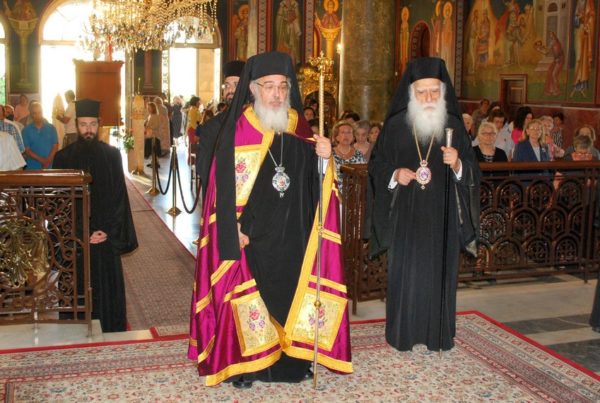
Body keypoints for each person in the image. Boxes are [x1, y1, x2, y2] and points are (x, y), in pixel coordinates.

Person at [187, 51, 352, 388]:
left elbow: (313, 183)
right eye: (269, 86)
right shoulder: (237, 131)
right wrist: (233, 229)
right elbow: (222, 190)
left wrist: (324, 159)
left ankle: (294, 363)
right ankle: (248, 366)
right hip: (252, 235)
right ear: (253, 89)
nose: (277, 94)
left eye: (283, 86)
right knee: (251, 301)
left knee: (291, 297)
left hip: (292, 234)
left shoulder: (297, 127)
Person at [368, 57, 480, 352]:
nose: (429, 98)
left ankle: (437, 335)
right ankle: (402, 334)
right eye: (422, 92)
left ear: (443, 92)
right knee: (406, 275)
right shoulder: (395, 126)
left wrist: (458, 164)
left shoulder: (453, 125)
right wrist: (395, 174)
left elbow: (473, 170)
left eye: (434, 91)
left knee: (439, 276)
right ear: (411, 93)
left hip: (442, 217)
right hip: (406, 216)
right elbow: (376, 166)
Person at [53, 99, 138, 332]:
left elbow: (120, 198)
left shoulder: (112, 155)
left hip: (105, 238)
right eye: (83, 124)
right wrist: (83, 232)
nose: (88, 130)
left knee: (107, 290)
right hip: (76, 240)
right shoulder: (63, 158)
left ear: (99, 124)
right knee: (77, 289)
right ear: (76, 125)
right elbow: (58, 206)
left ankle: (110, 329)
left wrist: (106, 230)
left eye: (92, 124)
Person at [196, 60, 245, 198]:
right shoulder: (212, 126)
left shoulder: (259, 124)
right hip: (223, 197)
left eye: (236, 85)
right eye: (227, 86)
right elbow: (204, 166)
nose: (230, 90)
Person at [22, 102, 59, 169]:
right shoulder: (26, 130)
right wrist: (42, 160)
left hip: (50, 166)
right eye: (34, 113)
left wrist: (48, 161)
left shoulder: (51, 128)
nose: (38, 115)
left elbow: (55, 146)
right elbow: (27, 150)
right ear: (31, 114)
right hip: (32, 167)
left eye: (39, 112)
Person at [333, 120, 366, 193]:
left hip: (354, 195)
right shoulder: (330, 154)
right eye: (343, 132)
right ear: (337, 137)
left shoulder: (358, 155)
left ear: (353, 137)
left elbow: (364, 176)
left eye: (349, 132)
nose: (346, 135)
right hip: (334, 194)